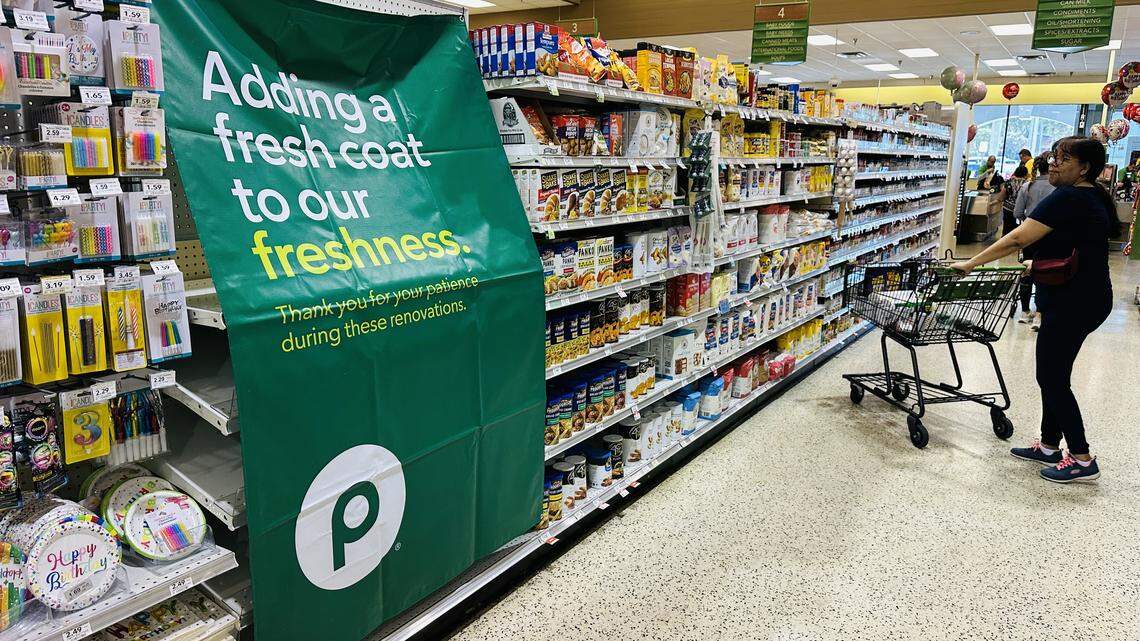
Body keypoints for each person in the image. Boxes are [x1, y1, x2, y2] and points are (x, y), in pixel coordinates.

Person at [950, 136, 1120, 483]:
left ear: (1084, 168)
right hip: (1086, 296)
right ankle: (1047, 445)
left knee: (1052, 378)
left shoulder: (1070, 196)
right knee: (1054, 374)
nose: (1052, 164)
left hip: (1073, 302)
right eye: (1054, 157)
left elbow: (1017, 238)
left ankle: (1083, 458)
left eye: (1062, 159)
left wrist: (971, 263)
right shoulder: (1094, 195)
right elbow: (1079, 246)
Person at [1012, 154, 1055, 326]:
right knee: (1045, 273)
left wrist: (1028, 221)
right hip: (1050, 237)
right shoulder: (1057, 189)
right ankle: (1039, 314)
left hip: (1028, 237)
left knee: (1027, 273)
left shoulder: (1027, 187)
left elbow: (1017, 213)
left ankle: (1023, 311)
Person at [999, 165, 1028, 237]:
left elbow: (1001, 197)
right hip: (1021, 209)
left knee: (1006, 228)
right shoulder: (1027, 184)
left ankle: (1004, 244)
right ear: (1026, 174)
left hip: (1008, 208)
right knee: (1018, 229)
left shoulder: (1009, 182)